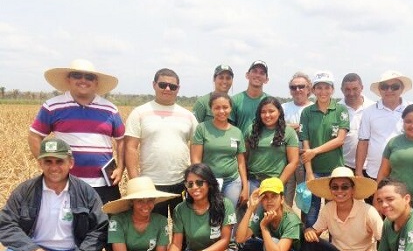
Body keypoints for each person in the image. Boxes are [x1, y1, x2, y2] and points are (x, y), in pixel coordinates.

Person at [28, 59, 125, 204]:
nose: (83, 80)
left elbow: (121, 140)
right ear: (69, 79)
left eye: (89, 77)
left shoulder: (110, 109)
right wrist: (47, 162)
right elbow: (34, 136)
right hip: (66, 183)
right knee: (67, 225)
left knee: (105, 225)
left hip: (104, 184)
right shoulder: (52, 106)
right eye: (77, 75)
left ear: (96, 82)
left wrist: (121, 167)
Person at [124, 68, 198, 217]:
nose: (167, 89)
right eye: (163, 85)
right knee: (154, 229)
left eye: (173, 86)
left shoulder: (188, 116)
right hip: (151, 184)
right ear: (154, 85)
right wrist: (136, 183)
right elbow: (130, 147)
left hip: (181, 182)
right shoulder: (139, 113)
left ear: (178, 89)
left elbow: (197, 147)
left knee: (182, 229)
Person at [303, 167, 383, 251]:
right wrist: (308, 231)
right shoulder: (328, 209)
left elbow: (383, 240)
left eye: (344, 187)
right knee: (308, 240)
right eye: (335, 187)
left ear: (353, 190)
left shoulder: (368, 211)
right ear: (331, 190)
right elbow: (315, 230)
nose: (339, 191)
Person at [236, 178, 308, 251]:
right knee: (243, 244)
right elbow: (239, 238)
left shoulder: (290, 220)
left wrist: (264, 228)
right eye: (265, 197)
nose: (269, 201)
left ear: (282, 199)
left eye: (274, 196)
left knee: (272, 241)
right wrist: (250, 209)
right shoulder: (262, 212)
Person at [300, 71, 350, 227]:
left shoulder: (341, 110)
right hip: (314, 170)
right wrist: (309, 173)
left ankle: (334, 247)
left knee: (335, 212)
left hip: (335, 170)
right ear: (313, 90)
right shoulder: (307, 112)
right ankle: (310, 249)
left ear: (332, 89)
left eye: (327, 87)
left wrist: (315, 151)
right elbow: (305, 143)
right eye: (319, 87)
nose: (323, 92)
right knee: (311, 213)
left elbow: (340, 139)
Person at [355, 70, 413, 187]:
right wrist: (359, 171)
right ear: (380, 90)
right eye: (385, 87)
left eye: (394, 87)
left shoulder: (412, 109)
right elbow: (363, 142)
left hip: (405, 173)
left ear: (402, 89)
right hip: (374, 172)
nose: (389, 90)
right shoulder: (369, 112)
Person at [191, 92, 249, 209]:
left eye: (225, 107)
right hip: (209, 182)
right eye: (217, 108)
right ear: (211, 109)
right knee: (210, 215)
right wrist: (200, 182)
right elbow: (196, 159)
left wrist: (245, 187)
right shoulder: (202, 128)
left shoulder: (237, 132)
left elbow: (241, 163)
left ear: (231, 109)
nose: (221, 111)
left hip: (232, 182)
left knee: (229, 215)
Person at [245, 97, 299, 193]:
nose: (267, 115)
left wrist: (278, 184)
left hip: (276, 182)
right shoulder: (251, 130)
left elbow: (293, 162)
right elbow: (244, 157)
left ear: (279, 112)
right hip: (253, 182)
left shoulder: (288, 132)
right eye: (263, 112)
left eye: (271, 111)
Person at [282, 72, 313, 207]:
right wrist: (291, 127)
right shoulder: (283, 108)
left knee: (305, 196)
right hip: (286, 157)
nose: (298, 90)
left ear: (309, 89)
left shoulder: (313, 109)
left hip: (305, 157)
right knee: (285, 195)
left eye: (301, 86)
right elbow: (274, 126)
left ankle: (305, 227)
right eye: (293, 87)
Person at [338, 73, 374, 174]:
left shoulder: (373, 107)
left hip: (370, 167)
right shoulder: (336, 109)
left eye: (355, 89)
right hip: (344, 165)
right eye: (347, 89)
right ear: (342, 89)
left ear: (362, 88)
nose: (351, 93)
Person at [231, 60, 269, 135]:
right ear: (247, 75)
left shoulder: (271, 102)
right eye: (254, 71)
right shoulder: (234, 100)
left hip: (264, 145)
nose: (258, 75)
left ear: (266, 80)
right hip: (241, 145)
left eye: (262, 73)